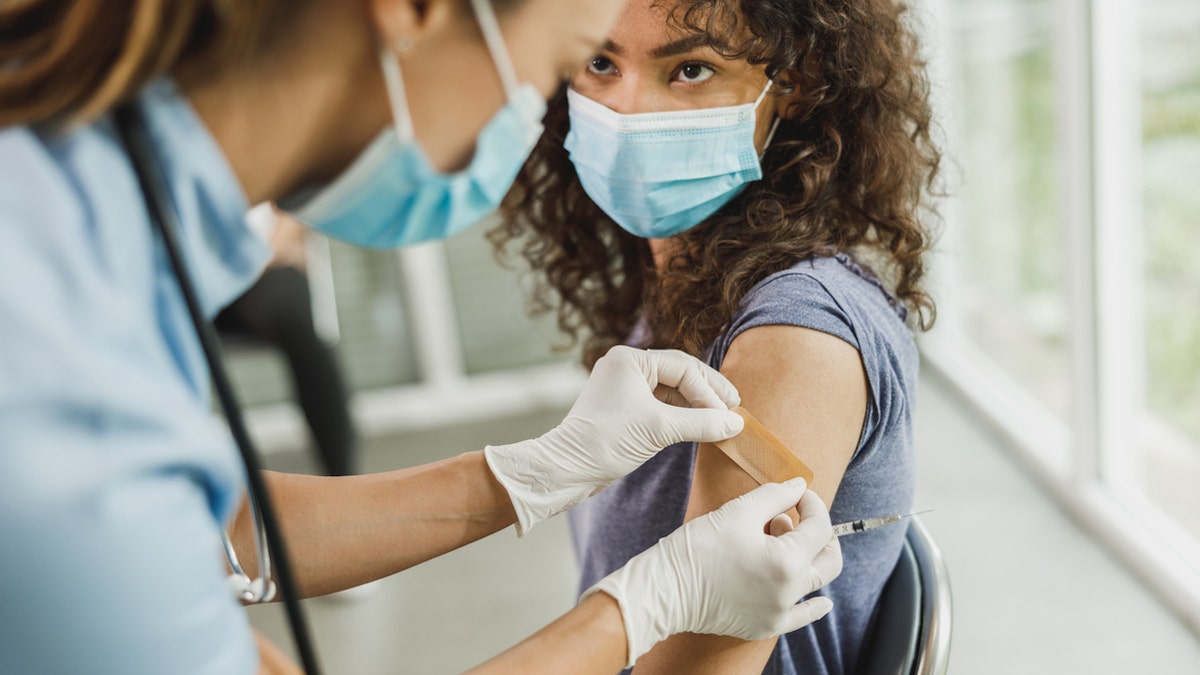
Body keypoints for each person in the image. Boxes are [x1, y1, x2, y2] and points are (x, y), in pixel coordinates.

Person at [0, 1, 846, 674]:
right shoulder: (54, 370)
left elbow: (200, 535)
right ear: (412, 9)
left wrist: (525, 475)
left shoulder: (74, 208)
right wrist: (640, 608)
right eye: (570, 63)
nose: (541, 121)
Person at [494, 0, 941, 673]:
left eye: (691, 68)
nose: (629, 109)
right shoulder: (678, 289)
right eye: (599, 62)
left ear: (795, 78)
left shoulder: (794, 334)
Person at [216, 209, 358, 477]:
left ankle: (342, 479)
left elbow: (296, 212)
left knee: (295, 315)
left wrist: (263, 255)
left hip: (266, 268)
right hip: (193, 279)